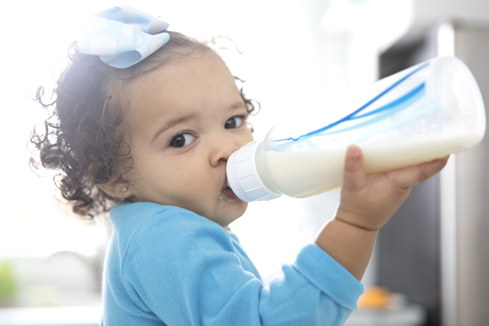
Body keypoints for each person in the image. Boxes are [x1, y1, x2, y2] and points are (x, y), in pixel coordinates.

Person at [30, 6, 449, 326]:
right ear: (116, 177)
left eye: (233, 122)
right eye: (181, 139)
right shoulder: (165, 239)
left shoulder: (160, 231)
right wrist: (356, 224)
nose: (227, 148)